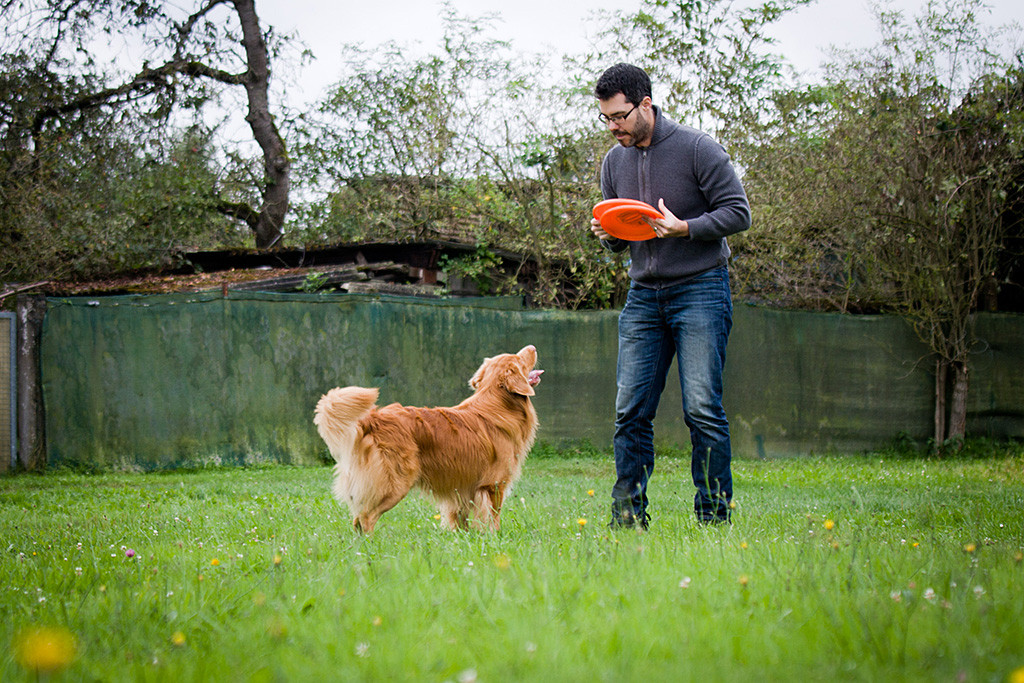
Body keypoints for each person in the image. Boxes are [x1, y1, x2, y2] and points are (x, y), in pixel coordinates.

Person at [590, 63, 750, 528]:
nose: (613, 126)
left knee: (701, 408)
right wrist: (606, 234)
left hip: (700, 288)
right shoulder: (613, 162)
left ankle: (714, 518)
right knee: (630, 410)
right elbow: (622, 236)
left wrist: (685, 228)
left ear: (645, 104)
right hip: (643, 296)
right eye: (606, 118)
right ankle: (628, 520)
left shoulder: (697, 148)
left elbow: (738, 213)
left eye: (619, 115)